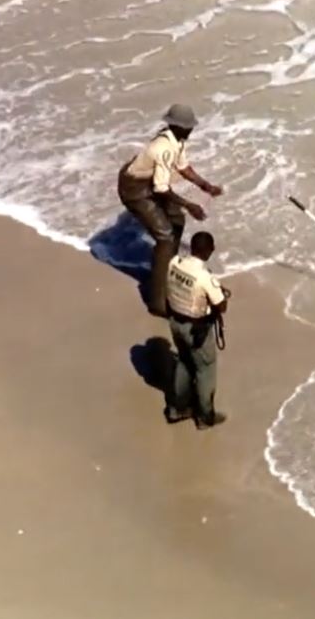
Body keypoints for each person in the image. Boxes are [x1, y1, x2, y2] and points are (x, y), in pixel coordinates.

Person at [116, 104, 223, 317]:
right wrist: (189, 205)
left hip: (149, 180)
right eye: (188, 127)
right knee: (165, 237)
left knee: (177, 220)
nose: (191, 130)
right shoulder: (163, 149)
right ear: (177, 126)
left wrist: (205, 186)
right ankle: (158, 302)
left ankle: (168, 272)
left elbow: (183, 168)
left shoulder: (177, 141)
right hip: (134, 188)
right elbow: (161, 189)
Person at [164, 231, 230, 430]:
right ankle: (204, 416)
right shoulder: (204, 277)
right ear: (208, 251)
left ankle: (176, 409)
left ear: (192, 248)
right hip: (196, 330)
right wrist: (221, 293)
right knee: (205, 369)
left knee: (184, 362)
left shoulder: (174, 263)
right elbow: (221, 306)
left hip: (175, 321)